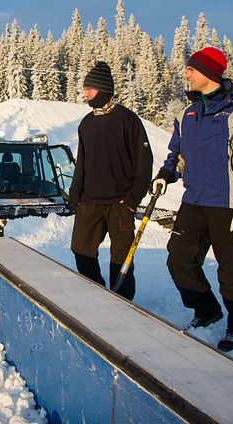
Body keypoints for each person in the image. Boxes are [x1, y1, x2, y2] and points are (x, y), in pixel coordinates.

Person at [151, 46, 233, 352]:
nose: (185, 73)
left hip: (228, 204)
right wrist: (165, 173)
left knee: (232, 268)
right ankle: (206, 309)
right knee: (178, 258)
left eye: (191, 69)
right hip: (195, 200)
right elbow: (177, 153)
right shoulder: (188, 114)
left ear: (209, 73)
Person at [68, 61, 153, 300]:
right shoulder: (86, 123)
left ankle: (122, 303)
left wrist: (133, 199)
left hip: (120, 203)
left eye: (89, 89)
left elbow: (144, 161)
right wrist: (76, 195)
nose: (85, 93)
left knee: (121, 259)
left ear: (103, 89)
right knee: (81, 252)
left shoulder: (127, 120)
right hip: (89, 203)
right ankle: (98, 297)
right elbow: (82, 162)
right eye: (85, 89)